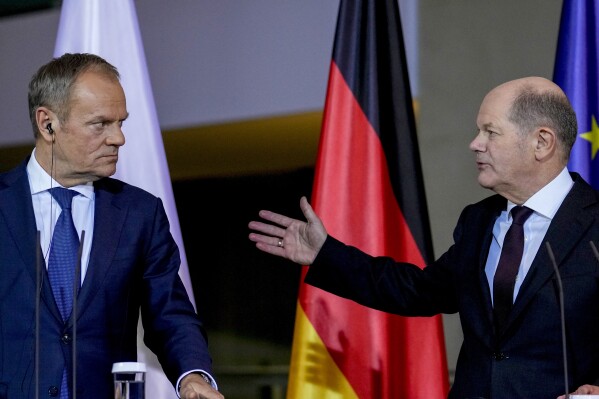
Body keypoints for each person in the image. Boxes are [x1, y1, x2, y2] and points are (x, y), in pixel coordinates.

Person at [249, 76, 599, 399]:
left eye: (490, 132)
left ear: (541, 142)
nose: (475, 144)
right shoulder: (478, 220)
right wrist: (326, 253)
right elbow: (416, 291)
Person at [0, 53, 223, 399]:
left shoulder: (139, 213)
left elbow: (170, 314)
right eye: (101, 124)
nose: (118, 138)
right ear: (48, 124)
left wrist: (193, 376)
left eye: (121, 122)